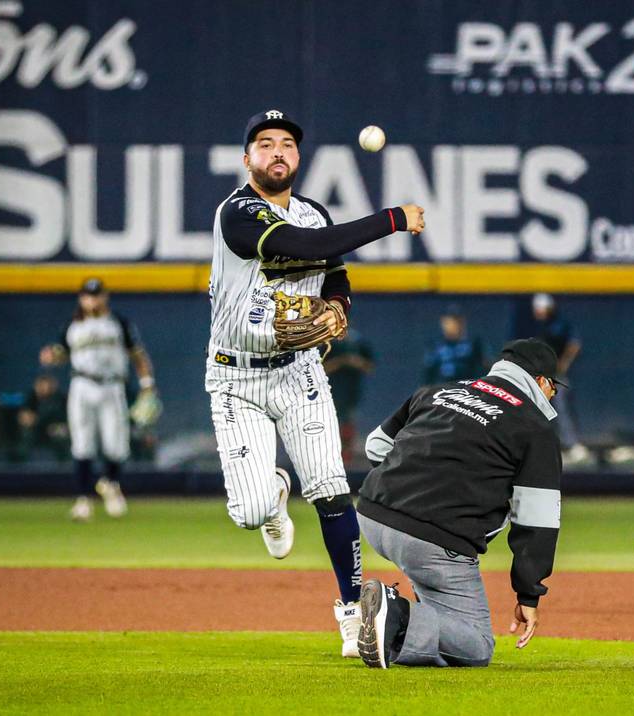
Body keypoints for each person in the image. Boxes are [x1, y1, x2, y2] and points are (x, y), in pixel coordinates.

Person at [205, 109, 425, 658]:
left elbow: (333, 269)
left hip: (299, 371)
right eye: (265, 143)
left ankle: (352, 614)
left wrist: (337, 304)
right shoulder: (238, 213)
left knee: (331, 491)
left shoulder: (312, 210)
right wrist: (392, 218)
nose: (277, 151)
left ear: (298, 158)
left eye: (287, 144)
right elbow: (300, 249)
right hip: (236, 377)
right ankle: (275, 492)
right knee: (251, 512)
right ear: (247, 159)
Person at [355, 338, 563, 669]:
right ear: (541, 382)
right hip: (431, 539)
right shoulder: (534, 427)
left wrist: (403, 489)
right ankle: (393, 615)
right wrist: (528, 594)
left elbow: (376, 446)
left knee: (438, 607)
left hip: (371, 513)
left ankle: (373, 630)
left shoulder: (439, 391)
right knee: (475, 646)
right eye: (555, 387)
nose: (553, 396)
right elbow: (536, 521)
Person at [40, 278, 158, 521]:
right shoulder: (72, 327)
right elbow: (60, 354)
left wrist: (147, 385)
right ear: (81, 298)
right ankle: (83, 500)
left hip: (113, 385)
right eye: (87, 295)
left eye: (96, 294)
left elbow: (138, 354)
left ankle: (110, 483)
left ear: (105, 296)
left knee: (117, 445)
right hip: (82, 384)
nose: (92, 299)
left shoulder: (119, 324)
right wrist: (51, 356)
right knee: (82, 444)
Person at [531, 293, 589, 464]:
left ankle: (572, 445)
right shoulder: (542, 327)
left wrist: (564, 363)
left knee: (562, 409)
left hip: (557, 375)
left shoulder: (559, 325)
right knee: (541, 409)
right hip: (544, 376)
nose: (539, 312)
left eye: (541, 309)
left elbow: (574, 344)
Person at [322, 329, 375, 466]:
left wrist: (355, 362)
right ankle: (330, 460)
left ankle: (346, 459)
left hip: (351, 391)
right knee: (329, 427)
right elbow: (319, 368)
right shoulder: (327, 344)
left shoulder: (358, 342)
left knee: (348, 424)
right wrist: (341, 361)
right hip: (329, 391)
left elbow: (369, 367)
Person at [422, 305, 484, 385]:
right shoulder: (435, 346)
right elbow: (428, 376)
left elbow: (481, 370)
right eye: (449, 321)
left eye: (456, 321)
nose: (452, 325)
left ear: (462, 322)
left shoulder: (473, 345)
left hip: (466, 391)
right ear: (443, 323)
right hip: (441, 391)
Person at [15, 373, 68, 461]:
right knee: (26, 431)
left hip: (55, 429)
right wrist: (28, 418)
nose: (43, 388)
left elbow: (66, 420)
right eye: (40, 385)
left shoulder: (60, 398)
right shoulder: (31, 397)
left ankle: (64, 463)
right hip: (37, 429)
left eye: (47, 385)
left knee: (61, 433)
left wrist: (58, 426)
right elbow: (23, 416)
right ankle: (19, 461)